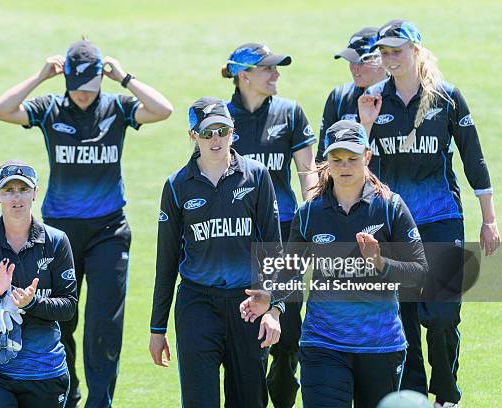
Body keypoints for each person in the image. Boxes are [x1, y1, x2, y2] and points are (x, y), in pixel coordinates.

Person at [0, 39, 173, 407]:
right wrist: (41, 76)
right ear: (66, 80)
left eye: (90, 87)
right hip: (58, 236)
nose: (84, 96)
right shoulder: (50, 108)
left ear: (101, 79)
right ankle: (67, 392)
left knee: (104, 325)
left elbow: (163, 110)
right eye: (77, 88)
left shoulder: (117, 107)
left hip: (109, 233)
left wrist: (125, 78)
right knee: (60, 318)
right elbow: (1, 110)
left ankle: (99, 402)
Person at [358, 19, 500, 407]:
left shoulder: (448, 98)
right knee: (403, 320)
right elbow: (354, 166)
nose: (389, 58)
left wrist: (489, 220)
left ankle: (446, 393)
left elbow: (475, 159)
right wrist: (365, 126)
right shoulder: (372, 99)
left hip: (441, 218)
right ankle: (416, 396)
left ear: (416, 50)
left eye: (396, 50)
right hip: (395, 223)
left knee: (440, 315)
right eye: (383, 52)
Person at [241, 120, 428, 408]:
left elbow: (419, 273)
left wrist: (381, 262)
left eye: (353, 158)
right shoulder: (309, 213)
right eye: (336, 159)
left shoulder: (391, 207)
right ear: (326, 161)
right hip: (322, 345)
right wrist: (275, 308)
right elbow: (290, 270)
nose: (344, 166)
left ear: (367, 156)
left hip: (380, 345)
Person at [149, 97, 283, 408]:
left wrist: (275, 307)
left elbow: (274, 248)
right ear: (192, 135)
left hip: (248, 304)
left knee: (249, 400)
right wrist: (157, 329)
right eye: (207, 132)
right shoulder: (177, 186)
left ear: (233, 132)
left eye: (222, 131)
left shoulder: (257, 176)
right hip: (197, 304)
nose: (216, 140)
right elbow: (166, 262)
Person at [221, 43, 317, 407]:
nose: (276, 74)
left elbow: (308, 176)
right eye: (268, 69)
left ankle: (282, 397)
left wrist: (312, 221)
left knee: (288, 334)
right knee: (249, 339)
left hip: (286, 235)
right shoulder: (221, 121)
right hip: (239, 243)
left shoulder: (290, 113)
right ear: (244, 75)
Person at [0, 161, 77, 407]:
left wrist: (32, 303)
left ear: (35, 194)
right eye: (8, 190)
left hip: (44, 372)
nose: (16, 197)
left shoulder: (56, 241)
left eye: (23, 189)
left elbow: (68, 307)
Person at [316, 27, 388, 165]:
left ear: (381, 60)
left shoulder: (401, 96)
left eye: (361, 61)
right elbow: (323, 154)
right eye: (351, 61)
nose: (354, 68)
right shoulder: (339, 97)